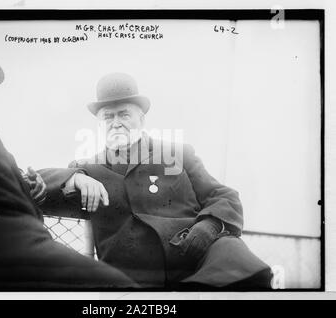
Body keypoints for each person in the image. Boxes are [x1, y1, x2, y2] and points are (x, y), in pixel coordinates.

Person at [0, 20, 137, 290]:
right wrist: (75, 176)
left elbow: (6, 176)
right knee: (116, 288)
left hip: (19, 237)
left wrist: (31, 188)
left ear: (141, 117)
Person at [39, 73, 273, 289]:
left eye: (124, 114)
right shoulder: (87, 167)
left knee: (236, 257)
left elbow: (223, 195)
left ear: (141, 119)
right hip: (134, 275)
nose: (116, 123)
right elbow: (30, 182)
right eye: (108, 117)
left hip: (196, 256)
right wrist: (74, 178)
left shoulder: (177, 153)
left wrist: (209, 226)